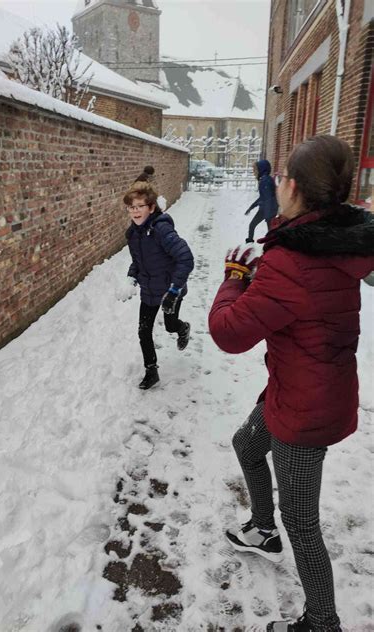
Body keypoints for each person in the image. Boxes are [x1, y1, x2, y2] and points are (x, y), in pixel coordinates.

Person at [208, 135, 374, 631]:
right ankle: (262, 529)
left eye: (280, 177)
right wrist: (265, 279)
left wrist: (236, 278)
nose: (276, 184)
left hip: (305, 411)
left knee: (301, 521)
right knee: (245, 443)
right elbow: (300, 294)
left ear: (295, 187)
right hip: (301, 387)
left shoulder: (293, 260)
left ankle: (322, 622)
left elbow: (228, 332)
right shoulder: (338, 240)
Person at [125, 181, 194, 389]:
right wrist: (131, 278)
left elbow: (186, 258)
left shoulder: (161, 230)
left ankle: (183, 329)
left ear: (151, 207)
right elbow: (138, 262)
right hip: (148, 290)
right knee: (143, 331)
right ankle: (151, 371)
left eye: (140, 206)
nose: (135, 211)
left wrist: (174, 290)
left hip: (169, 291)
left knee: (170, 325)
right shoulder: (132, 234)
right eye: (131, 207)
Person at [244, 159, 278, 242]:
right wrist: (251, 207)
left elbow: (268, 199)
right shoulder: (264, 179)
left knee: (270, 232)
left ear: (261, 169)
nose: (254, 172)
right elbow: (262, 197)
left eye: (255, 170)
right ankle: (250, 242)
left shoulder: (265, 180)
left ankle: (272, 248)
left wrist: (268, 216)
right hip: (265, 209)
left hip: (269, 209)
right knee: (252, 225)